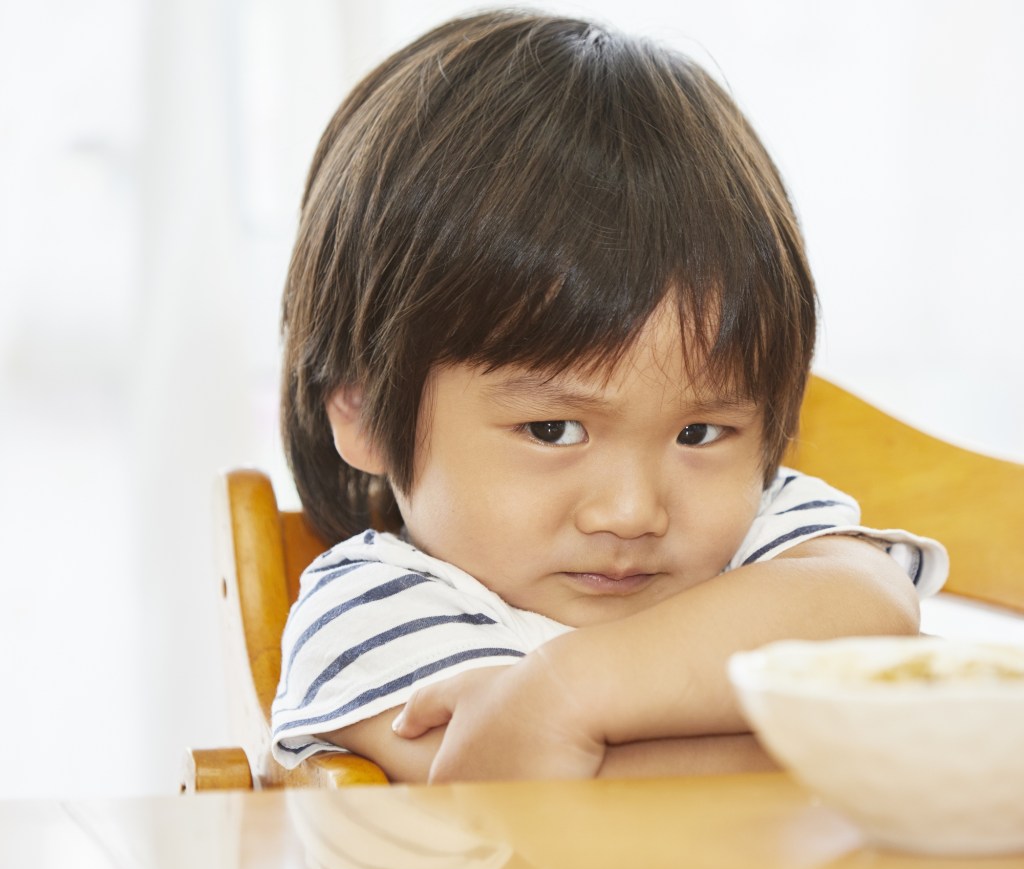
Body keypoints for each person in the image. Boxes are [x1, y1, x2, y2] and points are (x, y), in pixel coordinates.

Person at [271, 10, 947, 783]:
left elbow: (870, 598)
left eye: (700, 434)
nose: (632, 512)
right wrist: (847, 725)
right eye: (554, 429)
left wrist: (570, 690)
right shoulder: (371, 611)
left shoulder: (754, 529)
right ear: (358, 409)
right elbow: (538, 785)